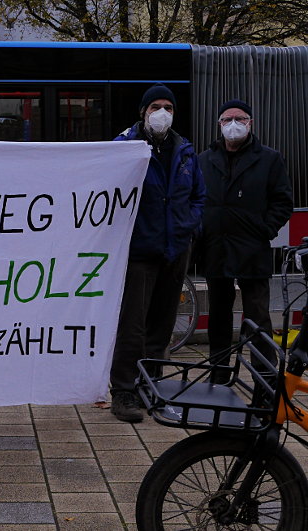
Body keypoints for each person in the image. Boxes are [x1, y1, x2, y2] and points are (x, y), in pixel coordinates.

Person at [109, 83, 206, 422]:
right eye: (155, 107)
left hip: (174, 250)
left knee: (161, 326)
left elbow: (198, 195)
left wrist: (189, 225)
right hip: (139, 251)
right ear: (143, 112)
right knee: (132, 325)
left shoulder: (185, 150)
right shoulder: (124, 147)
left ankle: (154, 387)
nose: (162, 112)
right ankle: (124, 391)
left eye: (168, 106)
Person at [199, 99, 292, 380]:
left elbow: (282, 202)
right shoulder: (204, 159)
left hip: (252, 248)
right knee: (218, 316)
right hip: (215, 248)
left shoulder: (269, 158)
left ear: (250, 123)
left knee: (257, 317)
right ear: (219, 124)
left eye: (240, 118)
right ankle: (219, 373)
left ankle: (265, 376)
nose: (233, 124)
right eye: (227, 119)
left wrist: (265, 229)